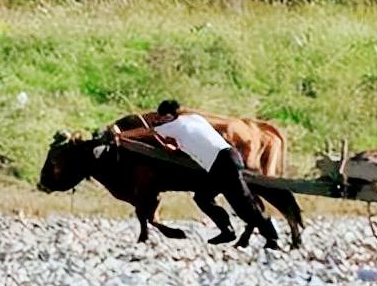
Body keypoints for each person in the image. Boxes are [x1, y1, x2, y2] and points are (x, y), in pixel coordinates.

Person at [109, 100, 274, 247]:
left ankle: (271, 236)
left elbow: (148, 132)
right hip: (226, 158)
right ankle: (227, 231)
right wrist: (176, 147)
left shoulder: (170, 125)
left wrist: (120, 135)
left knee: (242, 202)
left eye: (160, 117)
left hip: (222, 163)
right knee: (203, 197)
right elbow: (193, 139)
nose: (159, 120)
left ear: (168, 116)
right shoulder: (194, 119)